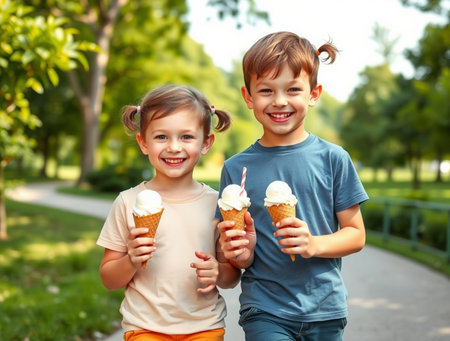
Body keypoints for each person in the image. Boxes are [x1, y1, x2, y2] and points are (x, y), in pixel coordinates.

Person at [216, 31, 369, 341]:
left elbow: (355, 234)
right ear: (249, 97)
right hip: (264, 308)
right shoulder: (236, 168)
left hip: (325, 307)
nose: (280, 101)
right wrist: (237, 254)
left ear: (313, 94)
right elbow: (233, 255)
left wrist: (313, 244)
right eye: (266, 90)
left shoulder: (333, 159)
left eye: (293, 89)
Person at [96, 84, 241, 341]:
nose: (174, 147)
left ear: (206, 143)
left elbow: (231, 277)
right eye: (161, 137)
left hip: (205, 326)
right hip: (144, 327)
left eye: (186, 137)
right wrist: (130, 259)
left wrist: (217, 271)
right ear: (143, 142)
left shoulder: (215, 204)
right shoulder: (128, 202)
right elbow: (109, 279)